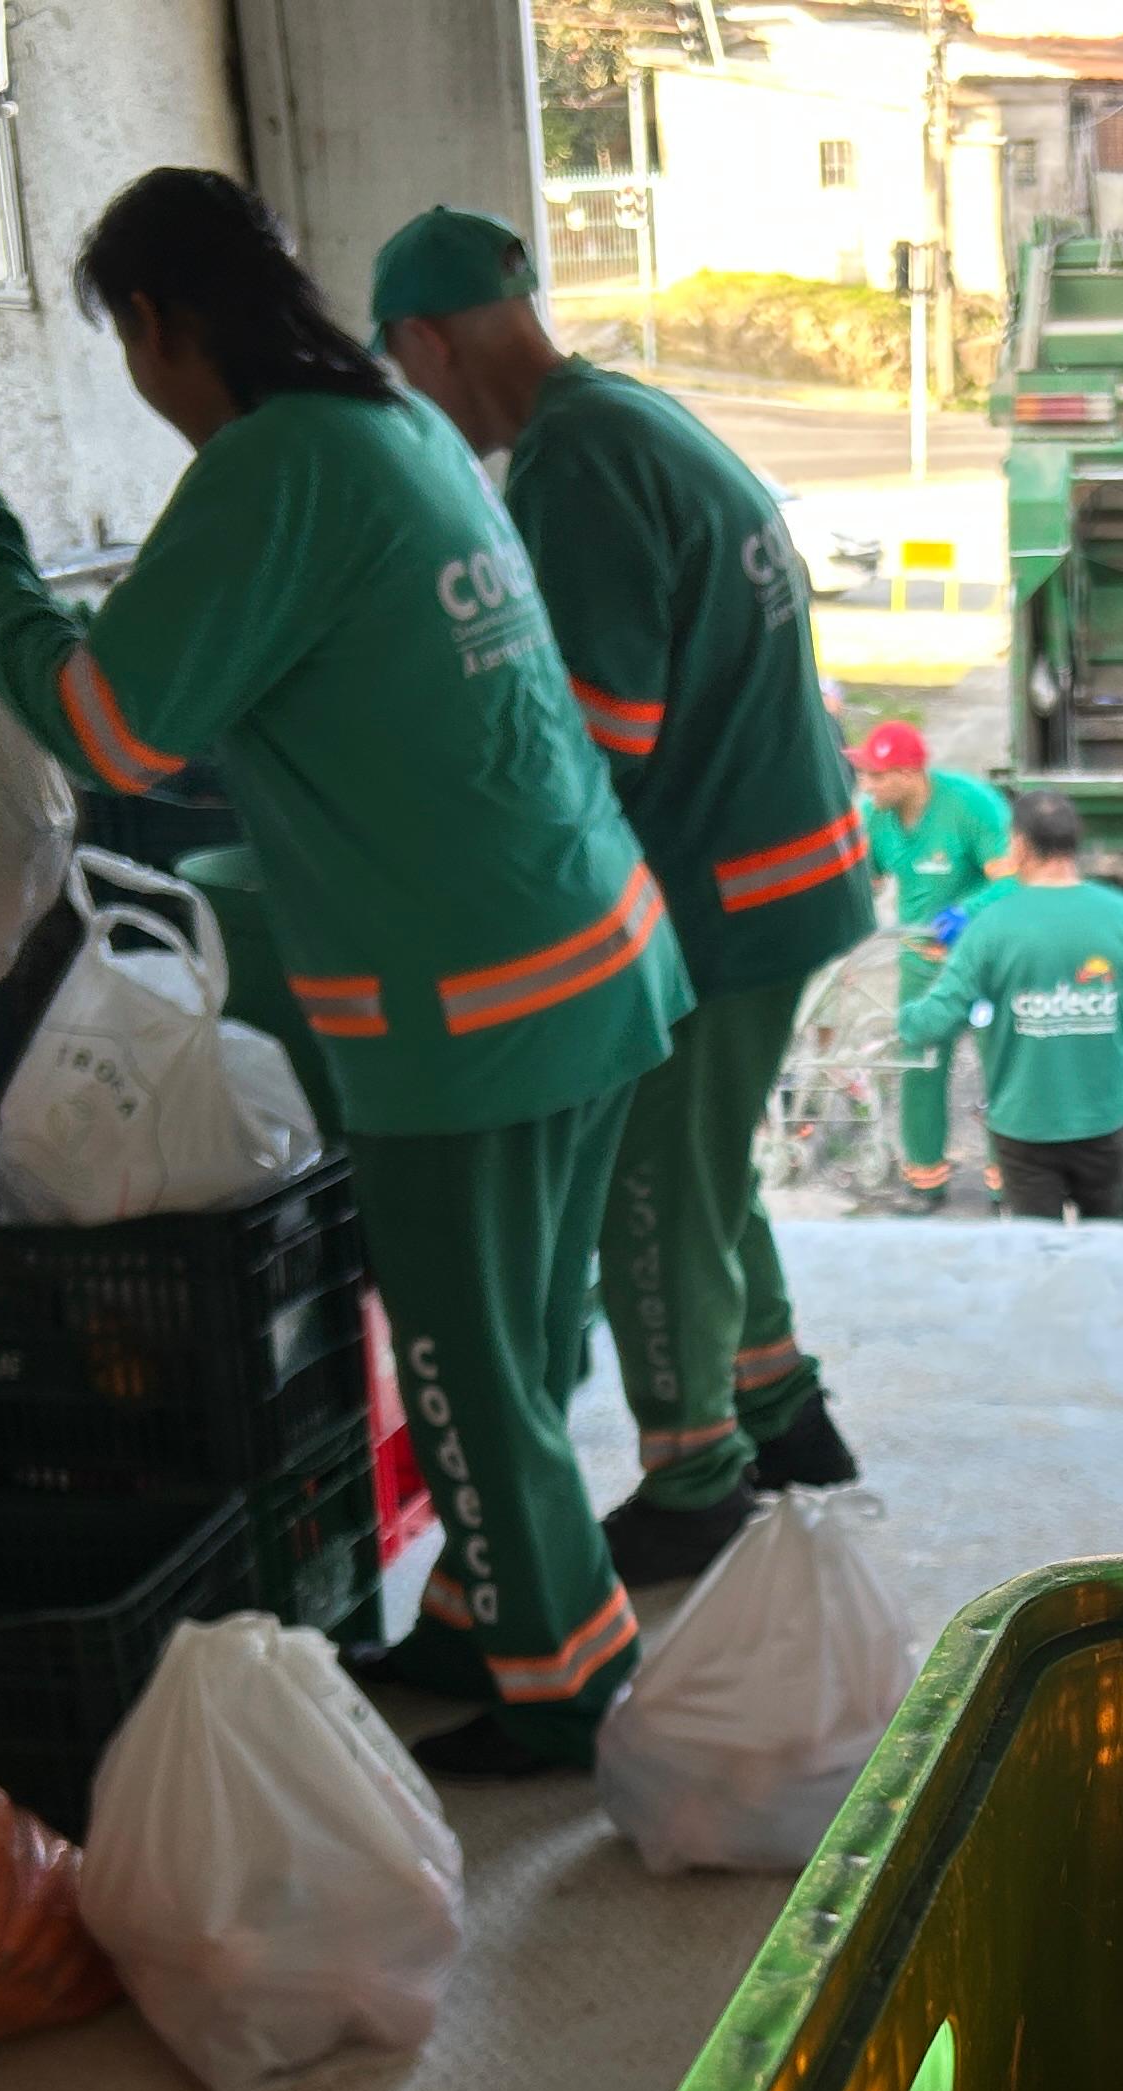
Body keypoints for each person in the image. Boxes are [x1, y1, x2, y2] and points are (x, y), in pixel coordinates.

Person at [0, 168, 680, 1781]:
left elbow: (116, 727)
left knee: (466, 1358)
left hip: (467, 1003)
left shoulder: (273, 466)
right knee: (530, 1326)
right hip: (594, 945)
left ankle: (563, 1680)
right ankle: (492, 1603)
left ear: (154, 321)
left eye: (127, 340)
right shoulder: (391, 422)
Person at [375, 205, 877, 1588]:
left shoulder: (572, 464)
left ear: (427, 340)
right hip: (793, 866)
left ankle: (693, 1476)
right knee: (710, 1181)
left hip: (726, 895)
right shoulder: (635, 415)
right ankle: (784, 1415)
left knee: (646, 1193)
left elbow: (600, 733)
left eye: (403, 374)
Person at [902, 790, 1123, 1221]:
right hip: (1103, 1125)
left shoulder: (991, 927)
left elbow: (933, 1022)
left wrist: (903, 1020)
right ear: (1075, 843)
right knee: (1105, 1243)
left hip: (1022, 1131)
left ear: (1018, 844)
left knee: (1037, 1252)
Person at [852, 719, 1015, 1212]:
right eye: (866, 776)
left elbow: (1014, 879)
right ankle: (925, 1179)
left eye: (878, 776)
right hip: (921, 965)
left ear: (909, 774)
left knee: (1001, 1069)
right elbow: (865, 882)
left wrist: (968, 912)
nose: (868, 786)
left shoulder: (971, 805)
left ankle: (1006, 1183)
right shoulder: (875, 816)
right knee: (919, 1066)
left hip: (981, 963)